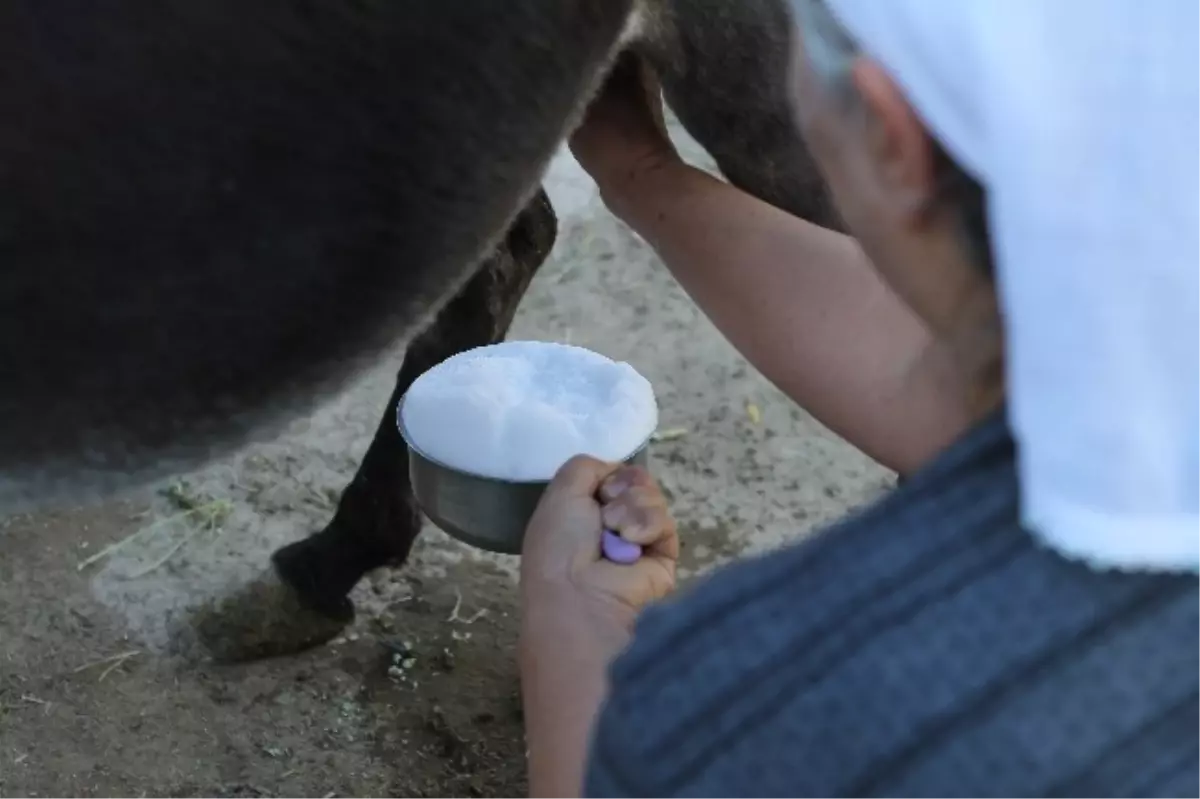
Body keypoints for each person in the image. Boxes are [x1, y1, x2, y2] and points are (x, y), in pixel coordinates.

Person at [518, 1, 1200, 797]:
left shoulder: (759, 702)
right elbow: (929, 368)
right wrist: (641, 175)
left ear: (889, 135)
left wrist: (573, 630)